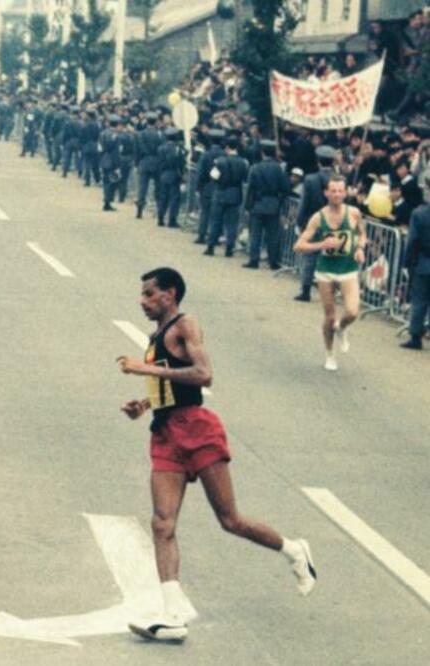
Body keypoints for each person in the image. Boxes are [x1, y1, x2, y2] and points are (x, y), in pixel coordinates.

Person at [117, 267, 317, 643]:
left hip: (197, 429)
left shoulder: (185, 325)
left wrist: (142, 368)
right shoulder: (155, 336)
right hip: (165, 433)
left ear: (170, 294)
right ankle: (173, 616)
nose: (142, 301)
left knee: (230, 519)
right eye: (142, 294)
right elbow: (169, 383)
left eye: (149, 294)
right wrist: (143, 404)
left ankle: (294, 550)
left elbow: (203, 374)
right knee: (162, 523)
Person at [293, 175, 367, 371]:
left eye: (340, 191)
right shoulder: (318, 217)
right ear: (326, 193)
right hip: (326, 270)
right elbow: (298, 246)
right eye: (333, 191)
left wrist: (360, 248)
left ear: (346, 192)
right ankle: (330, 354)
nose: (337, 194)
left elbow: (362, 234)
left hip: (347, 269)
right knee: (329, 316)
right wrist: (321, 244)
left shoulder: (354, 213)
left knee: (352, 311)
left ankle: (342, 328)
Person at [294, 146, 338, 302]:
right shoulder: (340, 180)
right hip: (334, 222)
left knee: (310, 256)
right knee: (331, 257)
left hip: (314, 221)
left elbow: (304, 204)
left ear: (318, 161)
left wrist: (300, 222)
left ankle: (305, 290)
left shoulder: (310, 179)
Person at [243, 139, 291, 269]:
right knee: (272, 236)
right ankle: (273, 261)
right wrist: (279, 201)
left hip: (257, 204)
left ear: (262, 152)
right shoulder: (279, 169)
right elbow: (286, 188)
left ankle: (254, 260)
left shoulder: (255, 168)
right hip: (273, 205)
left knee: (255, 235)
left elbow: (250, 189)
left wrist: (248, 206)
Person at [204, 135, 249, 256]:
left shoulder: (220, 161)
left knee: (215, 221)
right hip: (235, 194)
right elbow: (245, 178)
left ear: (227, 147)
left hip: (220, 192)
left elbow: (213, 176)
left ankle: (211, 247)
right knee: (232, 224)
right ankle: (229, 248)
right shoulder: (243, 162)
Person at [400, 199, 430, 350]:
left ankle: (415, 337)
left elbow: (412, 240)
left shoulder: (419, 213)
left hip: (423, 261)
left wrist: (406, 262)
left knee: (419, 301)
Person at [194, 130, 225, 243]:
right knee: (218, 215)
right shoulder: (224, 155)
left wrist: (198, 187)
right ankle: (215, 237)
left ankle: (201, 235)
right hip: (220, 187)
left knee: (205, 212)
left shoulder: (206, 154)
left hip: (207, 186)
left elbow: (200, 172)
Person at [135, 112, 163, 220]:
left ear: (146, 121)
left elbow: (137, 151)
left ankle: (139, 210)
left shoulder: (141, 134)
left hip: (144, 161)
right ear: (156, 122)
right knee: (158, 188)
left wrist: (137, 163)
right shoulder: (160, 134)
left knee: (142, 187)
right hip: (157, 162)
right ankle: (159, 211)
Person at [155, 128, 185, 228]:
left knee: (163, 197)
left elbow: (159, 163)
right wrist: (182, 175)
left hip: (163, 174)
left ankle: (160, 217)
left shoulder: (160, 148)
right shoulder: (178, 149)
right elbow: (181, 164)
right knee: (174, 198)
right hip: (174, 175)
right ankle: (172, 220)